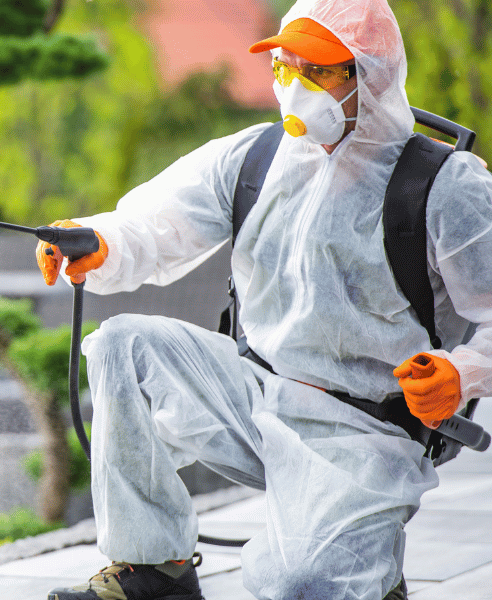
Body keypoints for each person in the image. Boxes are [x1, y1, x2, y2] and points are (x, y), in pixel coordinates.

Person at [34, 0, 492, 599]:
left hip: (364, 430)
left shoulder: (445, 185)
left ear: (370, 77)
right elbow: (157, 222)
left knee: (301, 583)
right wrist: (99, 242)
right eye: (285, 66)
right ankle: (155, 569)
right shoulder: (257, 156)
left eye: (318, 71)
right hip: (252, 394)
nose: (295, 85)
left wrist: (461, 374)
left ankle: (366, 565)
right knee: (122, 345)